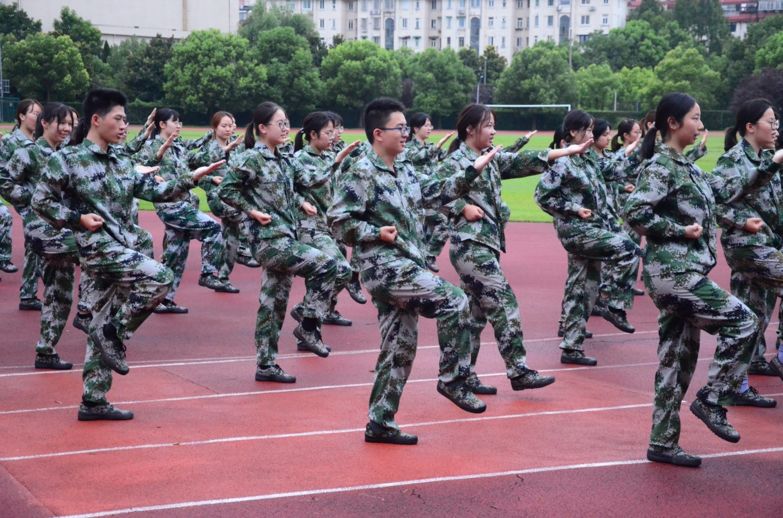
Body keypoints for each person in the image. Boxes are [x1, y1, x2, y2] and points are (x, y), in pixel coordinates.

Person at [32, 88, 223, 421]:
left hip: (121, 248)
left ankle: (93, 400)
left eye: (125, 119)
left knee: (99, 324)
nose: (124, 125)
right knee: (161, 278)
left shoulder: (122, 159)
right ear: (96, 119)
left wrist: (192, 177)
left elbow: (155, 191)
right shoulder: (68, 159)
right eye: (118, 118)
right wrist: (76, 219)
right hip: (97, 249)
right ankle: (115, 335)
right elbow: (41, 202)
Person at [329, 97, 498, 445]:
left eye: (407, 127)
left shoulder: (404, 168)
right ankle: (453, 378)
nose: (406, 133)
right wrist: (374, 233)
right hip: (383, 268)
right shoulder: (360, 172)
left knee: (399, 348)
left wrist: (471, 171)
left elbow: (434, 192)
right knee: (454, 300)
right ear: (378, 133)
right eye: (400, 128)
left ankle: (380, 421)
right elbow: (338, 222)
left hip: (407, 264)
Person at [625, 92, 760, 468]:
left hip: (682, 273)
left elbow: (723, 193)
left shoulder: (686, 167)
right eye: (696, 119)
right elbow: (633, 211)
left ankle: (662, 442)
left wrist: (770, 165)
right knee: (745, 322)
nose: (702, 127)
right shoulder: (661, 167)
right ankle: (712, 398)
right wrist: (679, 230)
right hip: (674, 274)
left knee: (677, 358)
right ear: (673, 123)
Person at [437, 103, 575, 394]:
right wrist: (462, 207)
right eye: (488, 125)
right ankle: (518, 369)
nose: (494, 131)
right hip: (470, 246)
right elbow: (434, 192)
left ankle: (465, 376)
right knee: (504, 301)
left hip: (487, 244)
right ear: (470, 129)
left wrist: (560, 153)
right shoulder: (455, 162)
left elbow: (522, 161)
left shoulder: (490, 158)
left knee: (475, 316)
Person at [219, 102, 339, 383]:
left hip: (286, 236)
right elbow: (226, 189)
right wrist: (251, 210)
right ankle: (309, 323)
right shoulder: (252, 159)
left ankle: (266, 363)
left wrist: (302, 201)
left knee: (272, 305)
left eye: (287, 123)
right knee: (327, 264)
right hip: (268, 241)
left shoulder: (283, 158)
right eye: (280, 124)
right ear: (263, 128)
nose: (286, 129)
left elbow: (300, 186)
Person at [536, 110, 641, 367]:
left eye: (595, 130)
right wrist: (573, 209)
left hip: (593, 229)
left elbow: (617, 168)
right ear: (574, 132)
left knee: (582, 286)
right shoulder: (564, 162)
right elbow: (542, 196)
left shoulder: (589, 160)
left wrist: (644, 146)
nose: (593, 135)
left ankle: (572, 345)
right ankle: (614, 304)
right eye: (589, 130)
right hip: (576, 230)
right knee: (628, 248)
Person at [708, 98, 783, 391]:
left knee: (752, 316)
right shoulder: (733, 161)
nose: (776, 127)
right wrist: (741, 222)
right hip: (747, 246)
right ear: (750, 127)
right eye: (771, 121)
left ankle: (735, 384)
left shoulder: (768, 158)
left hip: (765, 245)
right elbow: (717, 202)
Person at [0, 103, 78, 370]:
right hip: (43, 227)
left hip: (64, 226)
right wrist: (32, 200)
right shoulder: (28, 153)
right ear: (45, 123)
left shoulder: (70, 155)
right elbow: (4, 180)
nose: (67, 128)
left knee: (61, 291)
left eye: (70, 124)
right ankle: (92, 309)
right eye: (62, 123)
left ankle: (47, 349)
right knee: (93, 250)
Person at [136, 108, 232, 315]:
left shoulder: (178, 147)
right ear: (162, 125)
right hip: (170, 205)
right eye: (175, 121)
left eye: (180, 121)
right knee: (213, 229)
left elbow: (196, 162)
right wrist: (153, 177)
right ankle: (209, 272)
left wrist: (221, 148)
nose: (179, 125)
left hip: (185, 203)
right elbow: (138, 168)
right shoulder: (152, 146)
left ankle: (163, 300)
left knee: (175, 255)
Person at [289, 111, 360, 329]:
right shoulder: (299, 159)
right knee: (341, 270)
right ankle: (309, 315)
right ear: (313, 134)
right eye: (328, 132)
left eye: (334, 131)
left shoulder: (329, 157)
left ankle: (308, 312)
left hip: (331, 224)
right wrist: (301, 201)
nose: (333, 136)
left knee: (336, 272)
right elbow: (287, 188)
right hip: (310, 226)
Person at [187, 111, 249, 288]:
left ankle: (222, 277)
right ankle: (246, 248)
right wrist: (210, 179)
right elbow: (192, 173)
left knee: (231, 239)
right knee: (244, 216)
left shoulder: (238, 145)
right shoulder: (208, 149)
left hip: (234, 196)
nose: (228, 129)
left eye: (231, 125)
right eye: (224, 125)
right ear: (215, 127)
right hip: (218, 198)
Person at [0, 99, 43, 309]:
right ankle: (27, 295)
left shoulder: (39, 141)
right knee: (35, 240)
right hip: (24, 198)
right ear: (21, 116)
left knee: (39, 243)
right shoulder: (9, 141)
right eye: (34, 113)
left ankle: (31, 291)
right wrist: (25, 195)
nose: (38, 117)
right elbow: (2, 176)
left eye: (39, 113)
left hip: (41, 199)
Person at [404, 112, 454, 272]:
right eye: (426, 125)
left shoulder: (430, 146)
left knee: (440, 224)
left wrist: (459, 145)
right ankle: (423, 258)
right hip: (417, 197)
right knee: (427, 229)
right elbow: (419, 157)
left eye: (430, 125)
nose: (429, 128)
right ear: (415, 128)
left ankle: (427, 256)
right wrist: (437, 146)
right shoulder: (407, 147)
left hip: (432, 197)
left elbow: (449, 156)